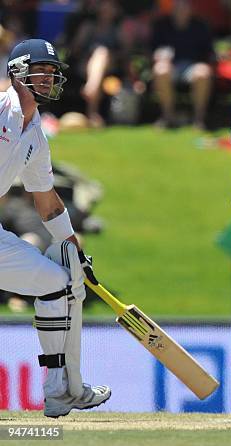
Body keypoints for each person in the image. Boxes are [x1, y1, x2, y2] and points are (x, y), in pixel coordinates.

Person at [0, 39, 111, 417]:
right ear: (16, 72)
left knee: (57, 281)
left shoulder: (36, 136)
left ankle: (60, 389)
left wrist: (75, 249)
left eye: (52, 72)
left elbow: (47, 201)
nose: (47, 78)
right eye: (40, 70)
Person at [151, 0, 216, 129]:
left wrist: (204, 61)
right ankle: (168, 116)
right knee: (160, 70)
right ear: (173, 10)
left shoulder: (200, 26)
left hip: (193, 66)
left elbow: (209, 53)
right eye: (178, 8)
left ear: (190, 10)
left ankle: (199, 119)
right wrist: (159, 56)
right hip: (171, 67)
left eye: (184, 8)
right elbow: (153, 51)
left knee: (203, 72)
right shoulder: (162, 25)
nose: (181, 11)